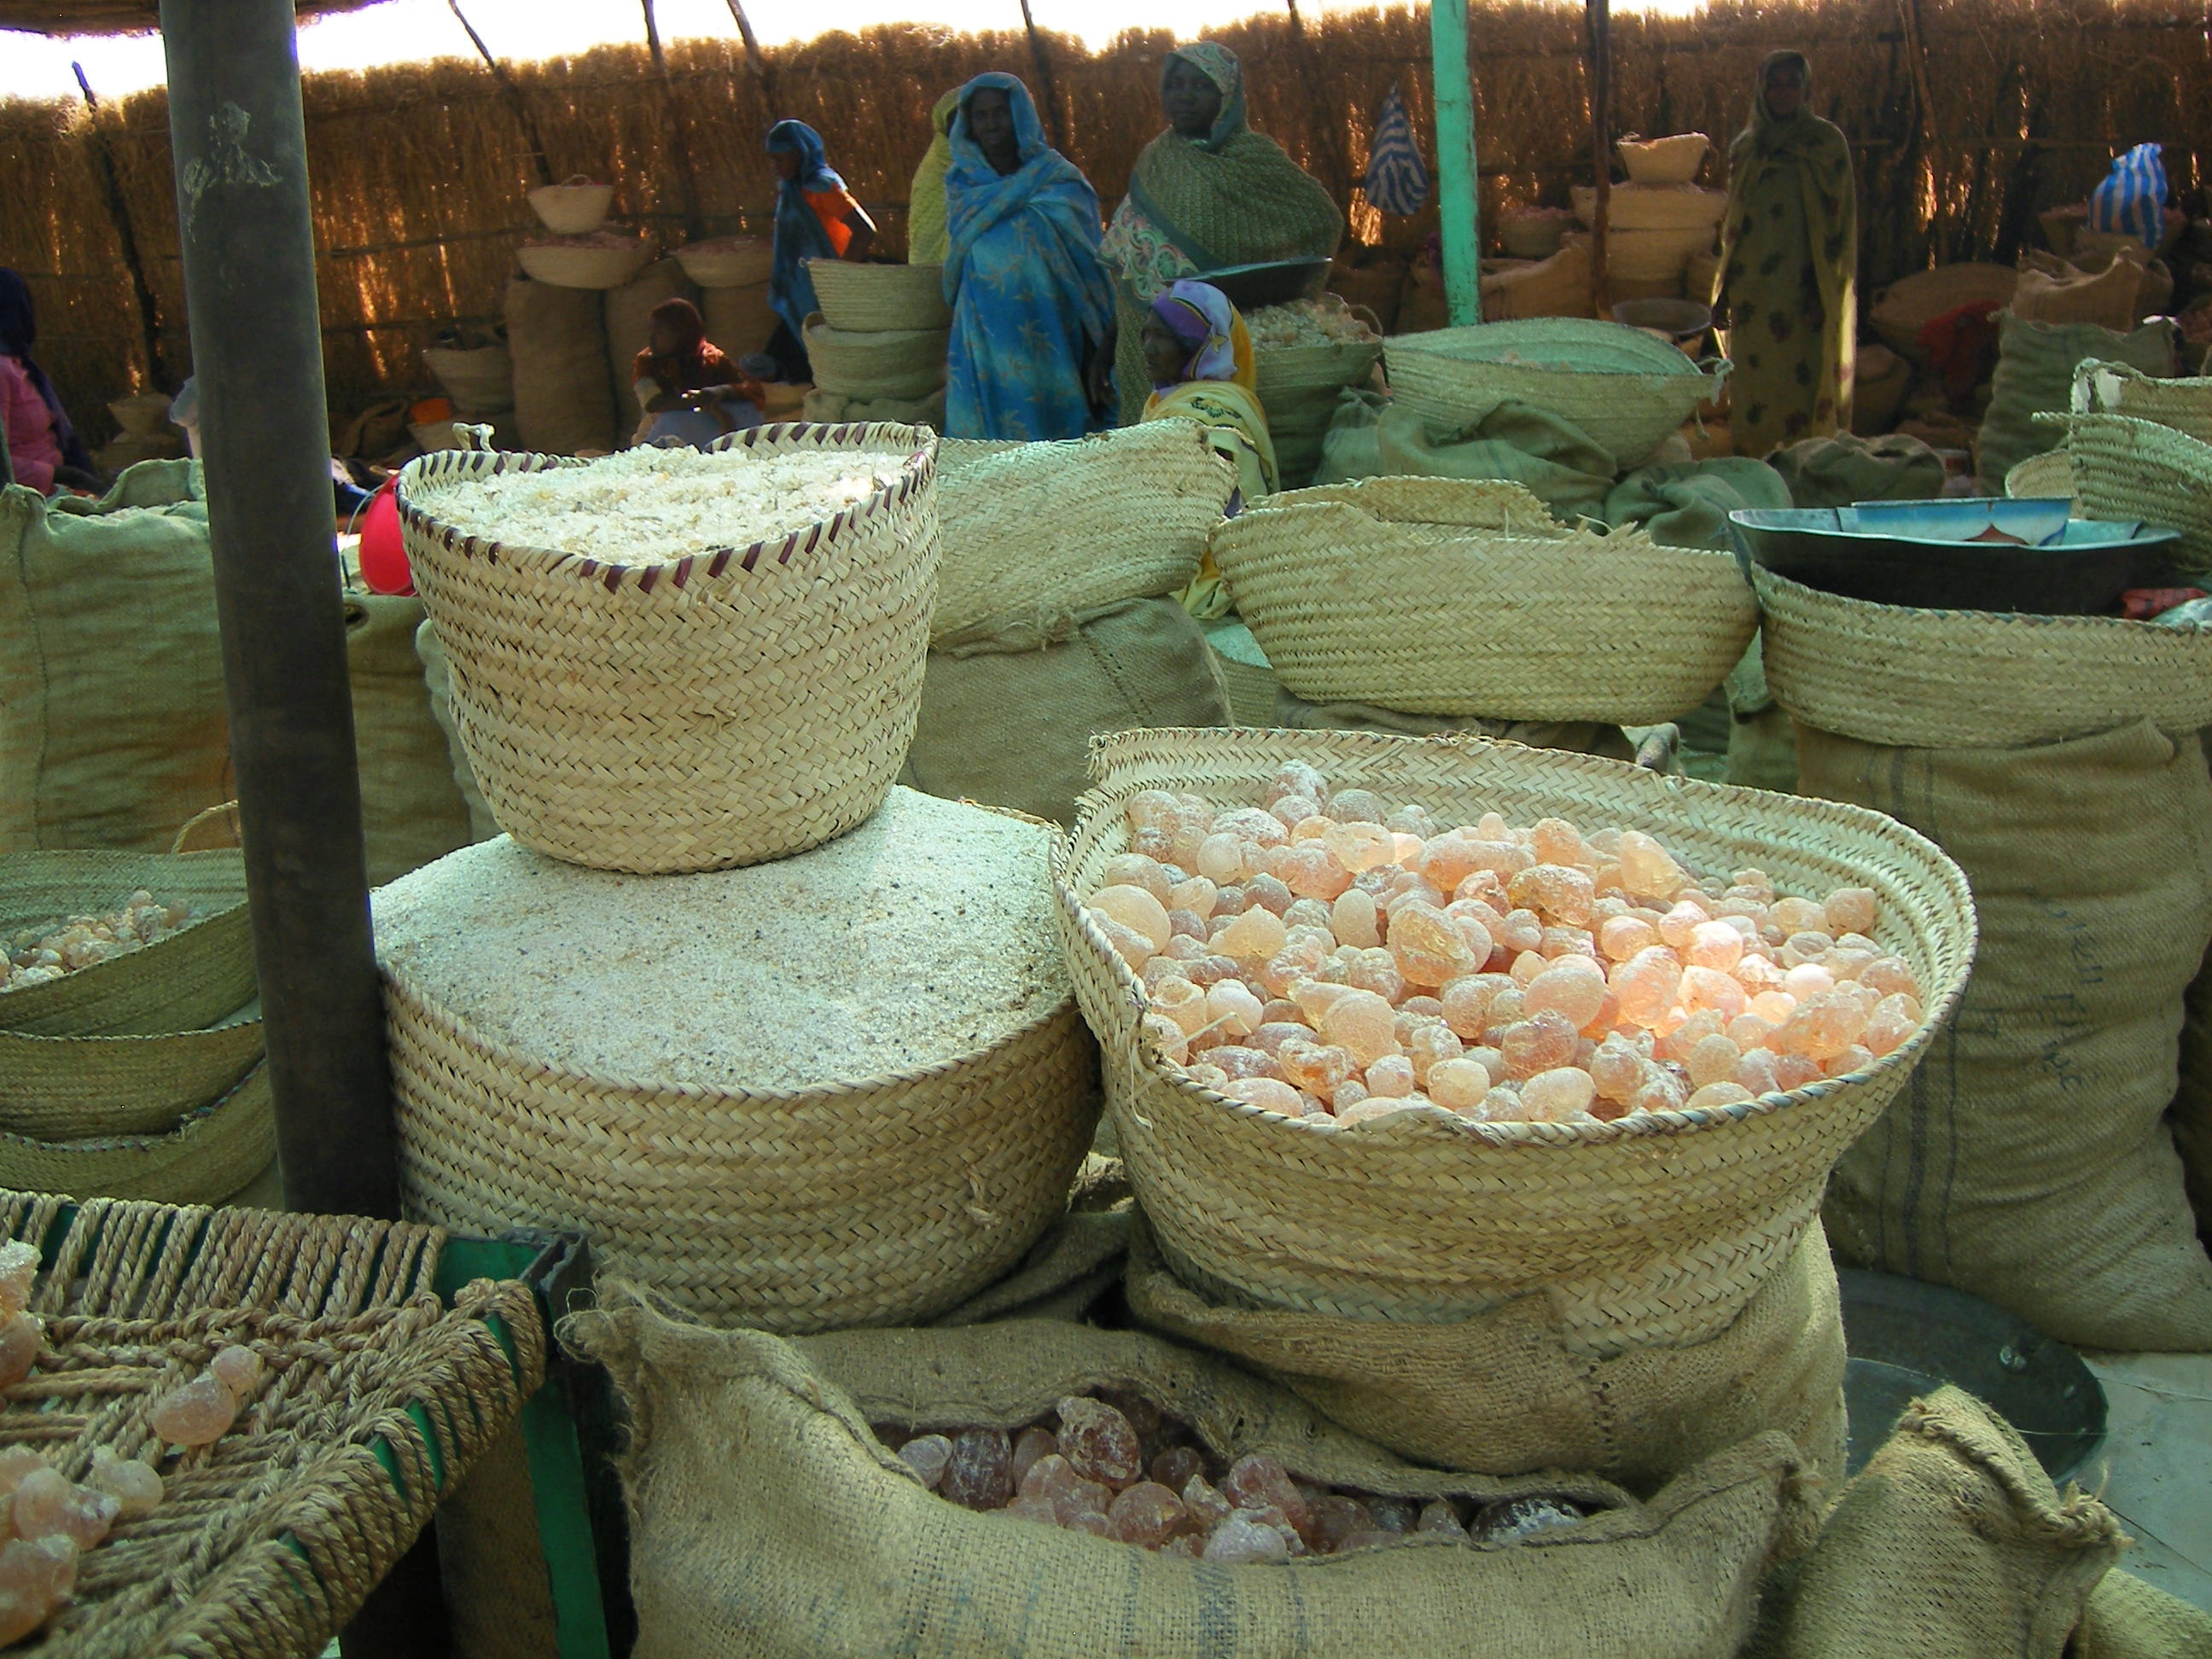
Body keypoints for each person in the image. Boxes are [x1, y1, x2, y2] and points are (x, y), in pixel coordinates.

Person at [1100, 44, 1342, 423]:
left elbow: (1319, 217)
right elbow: (1131, 260)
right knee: (1148, 435)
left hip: (1216, 339)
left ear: (1227, 95)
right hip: (1142, 336)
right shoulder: (1156, 160)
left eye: (1201, 85)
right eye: (1175, 85)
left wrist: (1265, 279)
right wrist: (1107, 347)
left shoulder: (1255, 159)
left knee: (1215, 429)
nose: (1184, 96)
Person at [942, 73, 1116, 442]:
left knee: (1057, 436)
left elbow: (1090, 265)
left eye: (1000, 112)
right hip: (985, 334)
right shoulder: (962, 186)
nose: (991, 124)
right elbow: (957, 261)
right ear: (969, 123)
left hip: (1051, 330)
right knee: (991, 440)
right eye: (981, 115)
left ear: (1020, 114)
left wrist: (1098, 348)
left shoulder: (1058, 180)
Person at [1716, 50, 1857, 457]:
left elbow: (1841, 222)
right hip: (1753, 292)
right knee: (1754, 383)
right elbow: (1734, 225)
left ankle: (1804, 464)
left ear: (1806, 89)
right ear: (1761, 90)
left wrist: (1826, 287)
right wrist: (1724, 292)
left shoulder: (1825, 144)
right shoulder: (1747, 148)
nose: (1782, 93)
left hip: (1805, 286)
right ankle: (1756, 463)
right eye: (1774, 84)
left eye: (1792, 83)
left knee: (1803, 380)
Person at [1138, 279, 1276, 618]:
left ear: (1199, 345)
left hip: (1212, 569)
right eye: (1146, 334)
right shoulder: (1164, 400)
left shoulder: (1212, 416)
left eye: (1164, 337)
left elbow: (1217, 518)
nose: (1149, 348)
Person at [765, 119, 876, 381]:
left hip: (828, 290)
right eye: (773, 160)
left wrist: (838, 277)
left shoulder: (822, 187)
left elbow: (865, 230)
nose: (776, 167)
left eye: (781, 158)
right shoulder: (791, 191)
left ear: (801, 153)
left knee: (829, 360)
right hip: (801, 290)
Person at [0, 269, 96, 495]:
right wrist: (62, 475)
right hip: (28, 500)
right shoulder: (2, 370)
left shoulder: (19, 363)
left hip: (58, 489)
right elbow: (2, 466)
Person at [632, 298, 767, 447]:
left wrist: (719, 392)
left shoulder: (712, 359)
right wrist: (697, 400)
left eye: (660, 333)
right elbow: (653, 403)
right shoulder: (647, 362)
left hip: (710, 424)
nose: (651, 340)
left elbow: (753, 390)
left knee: (749, 410)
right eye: (650, 331)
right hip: (659, 431)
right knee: (672, 419)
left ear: (681, 334)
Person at [906, 89, 962, 268]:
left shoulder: (996, 164)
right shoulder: (934, 166)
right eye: (956, 121)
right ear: (944, 126)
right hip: (930, 264)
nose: (961, 128)